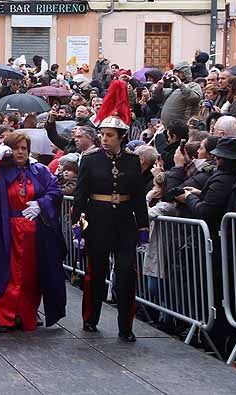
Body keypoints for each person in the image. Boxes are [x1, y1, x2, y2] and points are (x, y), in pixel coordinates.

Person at [71, 80, 149, 342]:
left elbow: (138, 197)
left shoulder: (132, 161)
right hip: (98, 222)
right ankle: (90, 319)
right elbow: (81, 196)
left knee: (127, 274)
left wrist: (142, 228)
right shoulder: (90, 161)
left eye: (109, 135)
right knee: (96, 275)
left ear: (121, 138)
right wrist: (77, 226)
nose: (104, 139)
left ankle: (126, 326)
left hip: (125, 224)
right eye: (102, 134)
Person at [0, 131, 66, 332]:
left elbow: (55, 191)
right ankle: (6, 318)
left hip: (33, 231)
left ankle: (26, 317)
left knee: (30, 276)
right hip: (6, 229)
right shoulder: (0, 170)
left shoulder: (39, 171)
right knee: (6, 273)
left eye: (24, 148)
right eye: (16, 148)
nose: (20, 152)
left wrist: (40, 203)